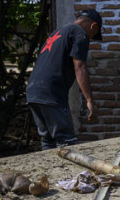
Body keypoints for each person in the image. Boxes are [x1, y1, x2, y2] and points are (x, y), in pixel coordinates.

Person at [26, 9, 104, 149]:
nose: (90, 38)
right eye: (93, 35)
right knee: (66, 140)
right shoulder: (80, 33)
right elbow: (79, 67)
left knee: (48, 140)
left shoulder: (58, 32)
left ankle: (50, 170)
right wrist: (90, 100)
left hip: (33, 91)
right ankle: (68, 171)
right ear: (93, 26)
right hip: (52, 92)